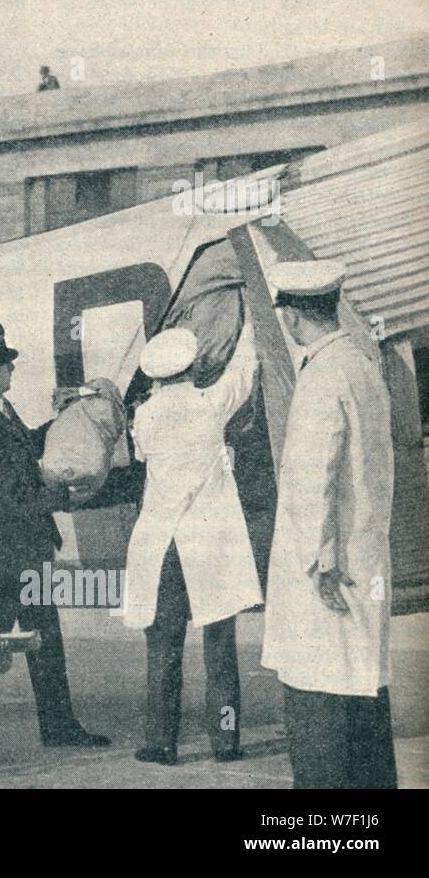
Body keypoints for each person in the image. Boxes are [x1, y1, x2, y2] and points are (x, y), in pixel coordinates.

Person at [0, 321, 110, 752]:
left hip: (26, 543)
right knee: (7, 638)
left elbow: (25, 449)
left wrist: (62, 419)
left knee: (25, 637)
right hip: (5, 547)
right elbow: (1, 493)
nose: (12, 370)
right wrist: (60, 495)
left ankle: (25, 724)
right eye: (6, 365)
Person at [260, 260, 397, 789]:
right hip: (364, 562)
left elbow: (312, 478)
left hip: (327, 576)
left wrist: (320, 561)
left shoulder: (321, 377)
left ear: (293, 317)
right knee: (364, 704)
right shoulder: (361, 365)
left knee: (318, 717)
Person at [124, 321, 262, 766]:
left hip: (161, 544)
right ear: (193, 367)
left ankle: (161, 743)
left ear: (157, 376)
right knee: (219, 646)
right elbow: (243, 373)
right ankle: (225, 741)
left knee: (163, 646)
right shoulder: (209, 403)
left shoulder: (143, 416)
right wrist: (249, 325)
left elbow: (143, 458)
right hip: (206, 542)